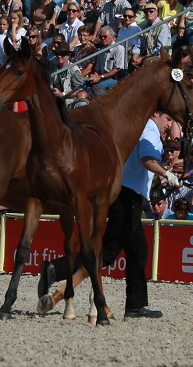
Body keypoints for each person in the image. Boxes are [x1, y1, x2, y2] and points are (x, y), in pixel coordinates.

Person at [37, 111, 180, 319]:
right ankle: (57, 269)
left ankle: (135, 305)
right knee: (110, 250)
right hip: (128, 196)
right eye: (168, 119)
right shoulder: (149, 129)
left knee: (138, 249)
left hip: (125, 191)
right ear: (156, 114)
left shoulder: (138, 125)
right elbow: (147, 159)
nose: (169, 124)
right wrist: (166, 173)